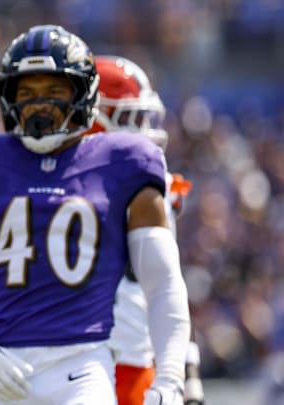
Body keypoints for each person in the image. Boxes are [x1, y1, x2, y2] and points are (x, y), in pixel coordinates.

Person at [0, 24, 191, 405]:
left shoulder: (125, 162)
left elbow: (164, 284)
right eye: (27, 92)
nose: (40, 104)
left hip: (83, 366)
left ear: (83, 94)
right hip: (1, 363)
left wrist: (171, 377)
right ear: (8, 97)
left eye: (55, 91)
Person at [90, 55, 204, 405]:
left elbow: (166, 286)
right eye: (131, 118)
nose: (144, 128)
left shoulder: (152, 190)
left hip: (134, 364)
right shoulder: (55, 189)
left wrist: (185, 367)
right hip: (74, 360)